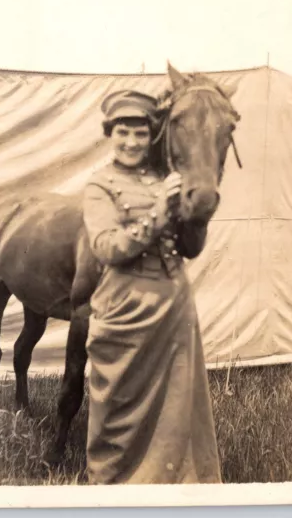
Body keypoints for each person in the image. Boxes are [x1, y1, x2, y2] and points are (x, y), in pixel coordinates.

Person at [82, 89, 221, 485]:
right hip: (127, 308)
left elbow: (190, 250)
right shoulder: (99, 186)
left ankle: (178, 486)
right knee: (118, 406)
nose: (131, 142)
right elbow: (107, 247)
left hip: (175, 307)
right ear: (110, 133)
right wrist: (159, 215)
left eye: (141, 134)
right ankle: (116, 486)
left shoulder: (166, 179)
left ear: (152, 137)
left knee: (178, 406)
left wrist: (198, 217)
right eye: (123, 132)